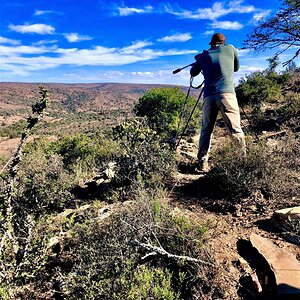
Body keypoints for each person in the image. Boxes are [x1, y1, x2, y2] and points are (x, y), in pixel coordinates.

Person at [190, 33, 246, 172]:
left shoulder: (203, 55)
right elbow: (236, 67)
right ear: (223, 42)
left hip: (209, 97)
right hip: (227, 95)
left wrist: (199, 59)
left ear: (211, 43)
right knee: (235, 129)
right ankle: (242, 162)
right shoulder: (231, 49)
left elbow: (193, 72)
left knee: (206, 130)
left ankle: (202, 162)